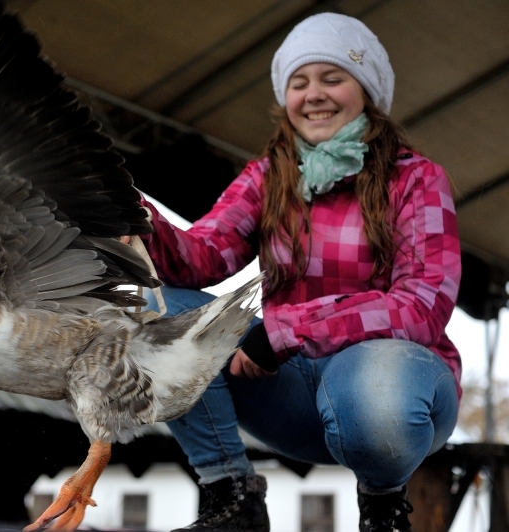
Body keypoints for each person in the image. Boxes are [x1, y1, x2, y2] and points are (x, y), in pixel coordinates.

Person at [134, 12, 461, 532]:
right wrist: (136, 217)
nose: (314, 94)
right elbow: (202, 257)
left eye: (333, 78)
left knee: (376, 397)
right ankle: (233, 496)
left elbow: (422, 304)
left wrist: (288, 332)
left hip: (389, 392)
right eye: (299, 82)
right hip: (290, 393)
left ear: (368, 90)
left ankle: (383, 504)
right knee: (161, 314)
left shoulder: (416, 179)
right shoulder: (269, 176)